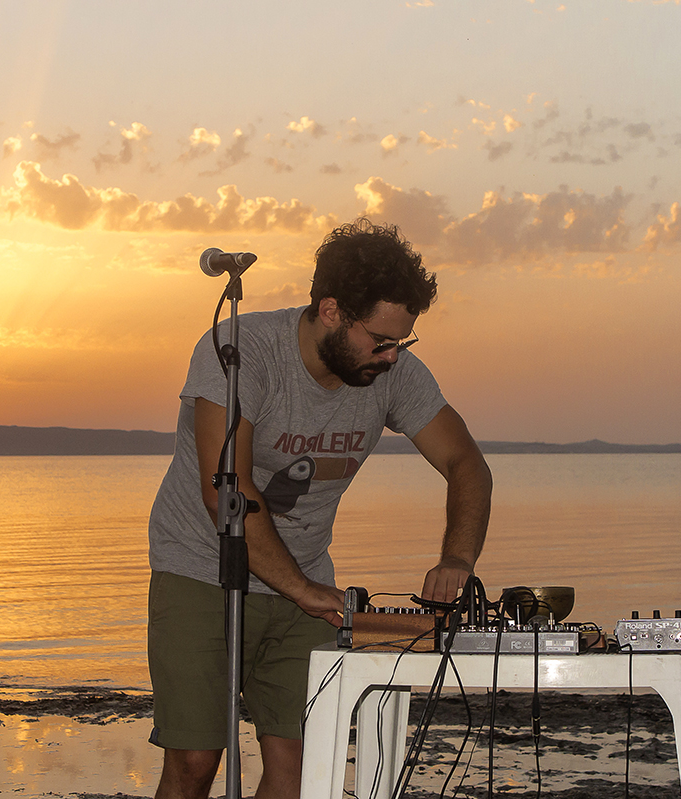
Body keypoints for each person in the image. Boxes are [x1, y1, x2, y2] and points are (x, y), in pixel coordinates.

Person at [146, 218, 493, 799]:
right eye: (380, 340)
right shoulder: (240, 351)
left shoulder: (393, 375)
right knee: (197, 761)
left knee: (304, 762)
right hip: (201, 571)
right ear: (331, 310)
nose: (391, 356)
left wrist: (457, 557)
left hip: (306, 587)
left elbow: (467, 464)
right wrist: (303, 589)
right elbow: (223, 491)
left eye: (403, 341)